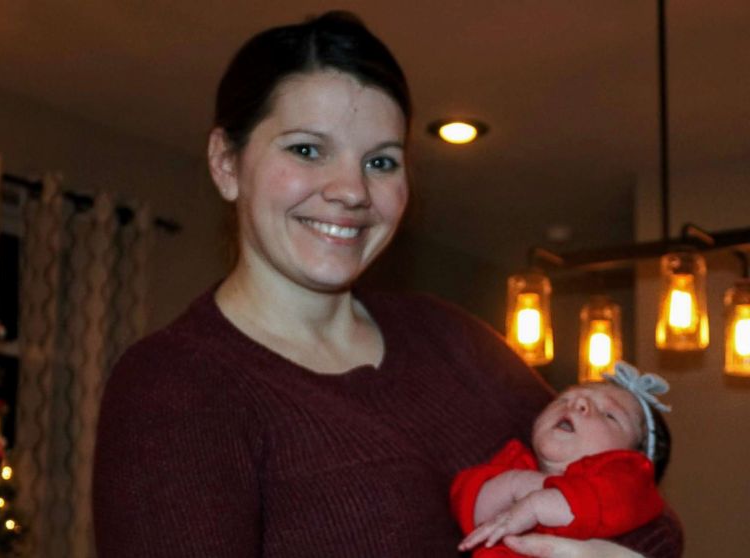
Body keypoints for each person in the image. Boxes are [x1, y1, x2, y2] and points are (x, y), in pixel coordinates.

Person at [92, 11, 683, 557]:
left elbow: (650, 515)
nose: (352, 190)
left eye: (380, 162)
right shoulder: (173, 387)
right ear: (226, 162)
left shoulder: (453, 340)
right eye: (306, 149)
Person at [452, 362, 672, 557]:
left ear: (637, 459)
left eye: (609, 414)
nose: (578, 403)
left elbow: (600, 501)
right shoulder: (514, 460)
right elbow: (473, 513)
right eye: (564, 398)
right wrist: (516, 482)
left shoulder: (630, 482)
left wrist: (535, 505)